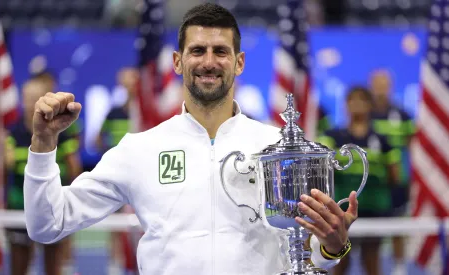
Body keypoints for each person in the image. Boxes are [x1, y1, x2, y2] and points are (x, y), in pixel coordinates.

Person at [23, 4, 359, 274]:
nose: (209, 62)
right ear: (178, 62)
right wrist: (42, 143)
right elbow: (47, 225)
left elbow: (314, 252)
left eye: (221, 52)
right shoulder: (139, 149)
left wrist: (332, 244)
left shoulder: (277, 147)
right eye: (197, 50)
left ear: (239, 63)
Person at [317, 86, 401, 275]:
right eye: (352, 100)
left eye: (362, 100)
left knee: (372, 261)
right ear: (345, 105)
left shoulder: (382, 139)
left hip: (375, 208)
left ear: (370, 105)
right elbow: (321, 169)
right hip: (341, 208)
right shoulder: (332, 137)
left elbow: (395, 175)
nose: (356, 105)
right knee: (340, 260)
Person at [5, 71, 82, 275]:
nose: (30, 103)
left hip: (53, 207)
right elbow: (5, 166)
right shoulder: (13, 132)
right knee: (18, 266)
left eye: (34, 98)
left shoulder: (62, 131)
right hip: (17, 207)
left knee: (53, 266)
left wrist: (70, 204)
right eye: (27, 98)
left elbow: (74, 167)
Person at [369, 69, 414, 275]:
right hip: (372, 183)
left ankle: (399, 267)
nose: (380, 90)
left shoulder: (403, 116)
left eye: (384, 85)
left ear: (390, 87)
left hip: (396, 182)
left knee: (397, 225)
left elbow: (413, 146)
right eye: (377, 85)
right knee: (369, 234)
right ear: (371, 86)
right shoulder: (364, 115)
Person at [98, 67, 142, 275]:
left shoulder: (145, 114)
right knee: (115, 223)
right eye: (126, 83)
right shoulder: (114, 113)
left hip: (140, 180)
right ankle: (114, 266)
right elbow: (97, 138)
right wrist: (111, 157)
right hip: (117, 179)